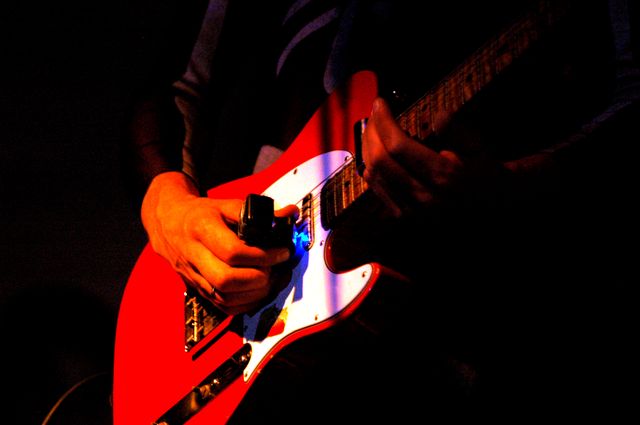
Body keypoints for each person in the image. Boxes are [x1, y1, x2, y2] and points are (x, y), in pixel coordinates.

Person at [122, 0, 637, 422]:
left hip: (486, 323)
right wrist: (169, 206)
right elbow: (176, 84)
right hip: (266, 339)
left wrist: (514, 187)